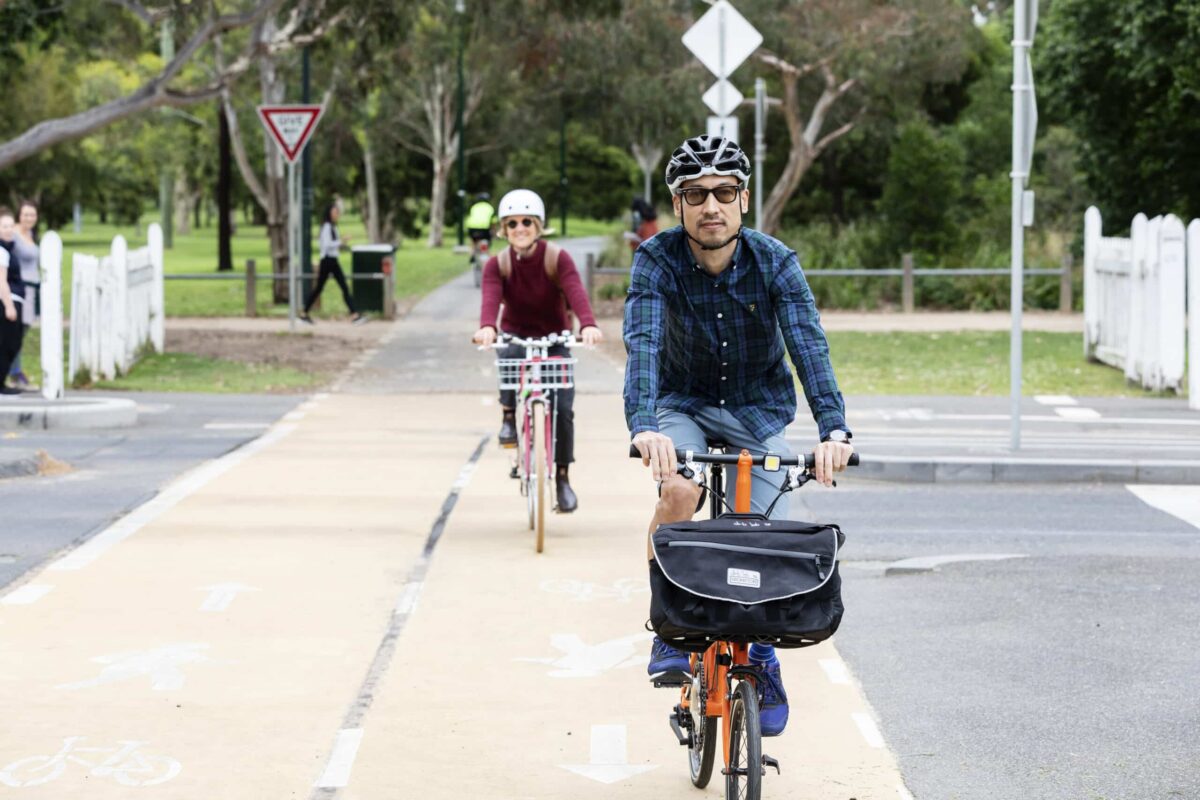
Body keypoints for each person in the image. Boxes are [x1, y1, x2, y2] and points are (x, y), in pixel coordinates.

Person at [624, 135, 855, 736]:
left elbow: (808, 344)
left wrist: (833, 427)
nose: (710, 206)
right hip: (683, 405)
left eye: (723, 192)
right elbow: (643, 346)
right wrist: (646, 426)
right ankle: (669, 625)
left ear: (744, 200)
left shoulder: (775, 261)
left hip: (756, 413)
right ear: (678, 205)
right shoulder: (657, 259)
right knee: (678, 490)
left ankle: (763, 656)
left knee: (763, 530)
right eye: (695, 194)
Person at [472, 189, 603, 513]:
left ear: (538, 224)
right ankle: (508, 417)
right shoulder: (497, 264)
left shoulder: (556, 257)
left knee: (562, 404)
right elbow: (490, 297)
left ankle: (561, 477)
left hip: (555, 336)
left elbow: (575, 290)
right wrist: (488, 326)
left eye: (527, 221)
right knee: (509, 358)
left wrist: (587, 324)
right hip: (516, 334)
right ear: (504, 228)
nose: (520, 228)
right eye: (512, 222)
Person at [300, 203, 365, 325]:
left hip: (333, 260)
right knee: (324, 287)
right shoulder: (326, 227)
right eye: (335, 212)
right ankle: (304, 313)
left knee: (342, 287)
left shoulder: (333, 227)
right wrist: (341, 241)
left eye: (337, 212)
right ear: (329, 213)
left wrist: (341, 244)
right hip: (327, 261)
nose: (337, 215)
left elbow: (333, 245)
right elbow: (327, 245)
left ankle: (354, 314)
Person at [6, 201, 38, 390]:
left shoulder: (30, 234)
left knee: (21, 332)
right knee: (16, 333)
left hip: (32, 289)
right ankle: (15, 373)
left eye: (32, 215)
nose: (29, 218)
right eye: (25, 214)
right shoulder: (14, 235)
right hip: (20, 288)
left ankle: (15, 370)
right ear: (19, 215)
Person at [0, 209, 25, 395]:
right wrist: (9, 305)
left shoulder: (8, 249)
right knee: (8, 343)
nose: (9, 230)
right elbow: (1, 281)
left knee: (12, 343)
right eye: (4, 226)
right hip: (8, 301)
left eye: (11, 226)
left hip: (14, 299)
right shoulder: (2, 251)